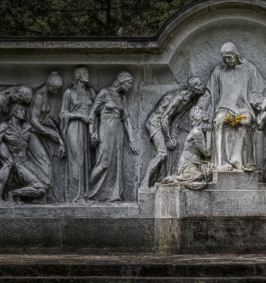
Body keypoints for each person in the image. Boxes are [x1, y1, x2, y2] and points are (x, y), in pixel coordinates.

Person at [199, 42, 266, 172]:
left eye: (229, 57)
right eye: (224, 58)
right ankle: (221, 163)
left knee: (246, 121)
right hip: (224, 109)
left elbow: (263, 87)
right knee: (221, 120)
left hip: (244, 108)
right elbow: (209, 93)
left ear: (236, 55)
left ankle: (244, 162)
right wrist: (199, 106)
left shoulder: (249, 68)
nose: (227, 61)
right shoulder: (218, 70)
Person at [143, 77, 205, 187]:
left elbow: (176, 119)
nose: (202, 86)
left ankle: (159, 180)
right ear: (193, 88)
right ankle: (144, 182)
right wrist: (168, 139)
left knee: (172, 150)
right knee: (162, 154)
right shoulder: (179, 97)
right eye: (199, 85)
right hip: (155, 122)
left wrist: (173, 137)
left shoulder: (189, 102)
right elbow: (165, 117)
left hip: (165, 124)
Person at [87, 71, 139, 202]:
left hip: (118, 131)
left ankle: (113, 194)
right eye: (129, 83)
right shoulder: (104, 93)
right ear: (121, 81)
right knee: (103, 163)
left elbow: (126, 119)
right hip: (105, 129)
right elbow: (93, 112)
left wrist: (131, 140)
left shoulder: (122, 97)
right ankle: (89, 192)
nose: (130, 86)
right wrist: (91, 131)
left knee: (116, 163)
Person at [0, 103, 52, 204]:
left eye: (25, 110)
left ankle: (21, 194)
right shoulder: (4, 127)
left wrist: (58, 138)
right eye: (21, 110)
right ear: (14, 111)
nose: (24, 112)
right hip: (16, 164)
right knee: (40, 189)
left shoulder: (26, 126)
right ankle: (11, 193)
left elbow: (42, 130)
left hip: (26, 162)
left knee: (48, 183)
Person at [28, 72, 67, 202]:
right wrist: (50, 133)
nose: (56, 91)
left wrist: (58, 136)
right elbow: (34, 121)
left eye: (58, 89)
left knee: (48, 161)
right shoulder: (39, 95)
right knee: (45, 162)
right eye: (54, 88)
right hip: (31, 132)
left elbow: (45, 120)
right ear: (48, 84)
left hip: (40, 131)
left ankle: (47, 195)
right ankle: (40, 197)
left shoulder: (48, 94)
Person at [59, 67, 96, 203]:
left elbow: (95, 111)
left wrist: (93, 131)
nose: (88, 75)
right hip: (74, 128)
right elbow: (63, 113)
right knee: (76, 161)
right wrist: (79, 116)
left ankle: (85, 194)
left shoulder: (91, 92)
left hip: (88, 128)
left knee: (86, 161)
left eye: (88, 72)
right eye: (85, 73)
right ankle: (75, 196)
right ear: (78, 76)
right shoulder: (69, 92)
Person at [161, 107, 213, 190]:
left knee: (207, 173)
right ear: (197, 116)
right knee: (199, 175)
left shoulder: (199, 130)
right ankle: (174, 179)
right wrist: (209, 133)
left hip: (196, 163)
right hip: (188, 163)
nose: (205, 113)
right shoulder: (196, 132)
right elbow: (207, 153)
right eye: (201, 112)